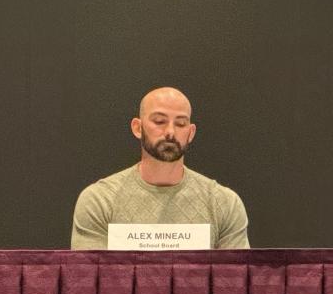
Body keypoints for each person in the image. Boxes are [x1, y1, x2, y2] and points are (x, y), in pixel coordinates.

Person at [71, 87, 249, 249]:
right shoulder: (99, 200)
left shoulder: (224, 203)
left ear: (191, 133)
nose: (170, 132)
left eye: (180, 124)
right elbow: (87, 281)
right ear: (138, 128)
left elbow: (234, 283)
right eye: (159, 121)